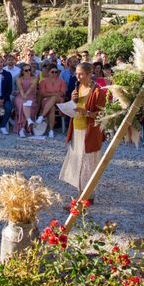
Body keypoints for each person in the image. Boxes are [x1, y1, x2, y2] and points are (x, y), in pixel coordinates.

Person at [59, 62, 107, 198]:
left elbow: (102, 115)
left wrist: (86, 112)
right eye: (76, 74)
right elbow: (76, 107)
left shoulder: (98, 91)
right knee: (77, 162)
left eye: (81, 74)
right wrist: (73, 101)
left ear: (90, 74)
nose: (78, 77)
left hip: (89, 132)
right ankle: (82, 194)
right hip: (77, 128)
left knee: (86, 164)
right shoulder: (78, 86)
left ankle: (86, 197)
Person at [35, 63, 66, 138]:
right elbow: (43, 94)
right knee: (51, 107)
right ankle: (51, 130)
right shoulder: (43, 81)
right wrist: (54, 94)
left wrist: (52, 94)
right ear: (48, 72)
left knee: (54, 98)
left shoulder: (61, 81)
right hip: (46, 100)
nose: (54, 73)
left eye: (56, 72)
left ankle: (42, 116)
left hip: (59, 100)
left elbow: (62, 93)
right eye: (52, 72)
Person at [13, 63, 38, 138]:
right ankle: (28, 120)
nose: (28, 72)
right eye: (26, 70)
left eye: (29, 70)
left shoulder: (34, 78)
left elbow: (31, 89)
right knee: (22, 103)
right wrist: (23, 96)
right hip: (20, 95)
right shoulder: (19, 79)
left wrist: (25, 96)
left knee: (26, 104)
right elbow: (20, 89)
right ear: (22, 71)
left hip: (31, 96)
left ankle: (22, 129)